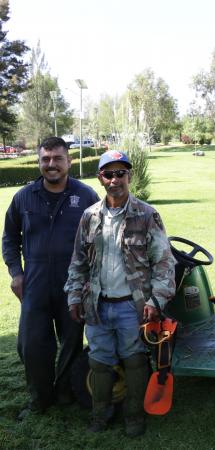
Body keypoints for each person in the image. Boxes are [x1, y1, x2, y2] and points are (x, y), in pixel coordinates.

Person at [64, 150, 175, 437]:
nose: (115, 180)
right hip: (97, 306)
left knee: (135, 360)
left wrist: (156, 300)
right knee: (99, 362)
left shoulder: (148, 215)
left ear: (129, 175)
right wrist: (74, 296)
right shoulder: (89, 216)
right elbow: (77, 261)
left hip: (132, 307)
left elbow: (164, 263)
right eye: (108, 174)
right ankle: (100, 416)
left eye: (120, 173)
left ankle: (134, 418)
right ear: (100, 178)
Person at [2, 137, 99, 419]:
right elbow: (9, 238)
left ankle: (65, 392)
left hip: (73, 283)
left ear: (68, 161)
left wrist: (90, 279)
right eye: (45, 159)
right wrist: (16, 273)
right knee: (31, 345)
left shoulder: (86, 196)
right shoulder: (24, 197)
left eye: (57, 158)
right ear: (39, 162)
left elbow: (98, 242)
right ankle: (40, 398)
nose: (51, 164)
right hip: (35, 282)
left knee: (71, 341)